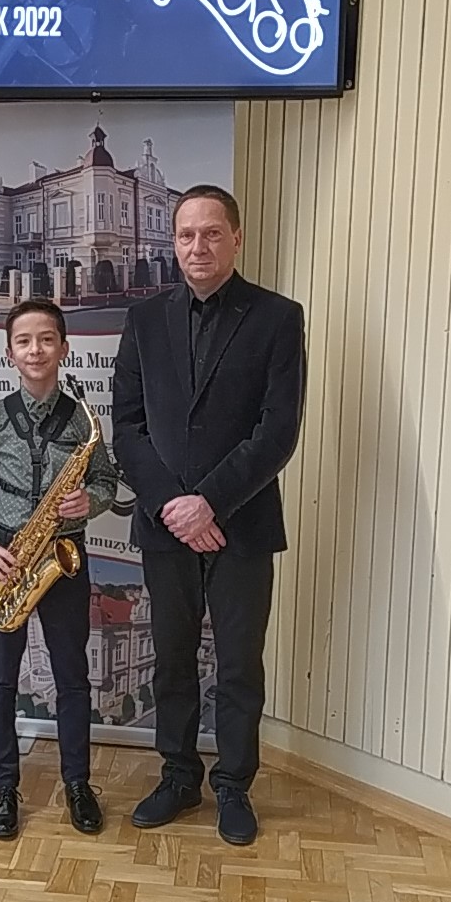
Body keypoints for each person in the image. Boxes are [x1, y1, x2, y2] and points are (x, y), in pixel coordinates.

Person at [112, 185, 305, 846]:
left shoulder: (278, 318)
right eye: (186, 234)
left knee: (238, 665)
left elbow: (277, 432)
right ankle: (177, 776)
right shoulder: (143, 320)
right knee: (170, 659)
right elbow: (127, 426)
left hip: (241, 525)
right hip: (165, 525)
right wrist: (174, 505)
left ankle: (234, 786)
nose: (198, 246)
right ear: (173, 242)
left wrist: (210, 503)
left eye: (212, 233)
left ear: (236, 238)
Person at [0, 298, 117, 840]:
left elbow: (107, 482)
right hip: (8, 557)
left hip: (64, 557)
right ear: (9, 353)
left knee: (72, 676)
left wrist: (90, 501)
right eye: (24, 341)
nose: (36, 350)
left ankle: (78, 784)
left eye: (46, 339)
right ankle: (3, 785)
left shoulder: (83, 421)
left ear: (64, 348)